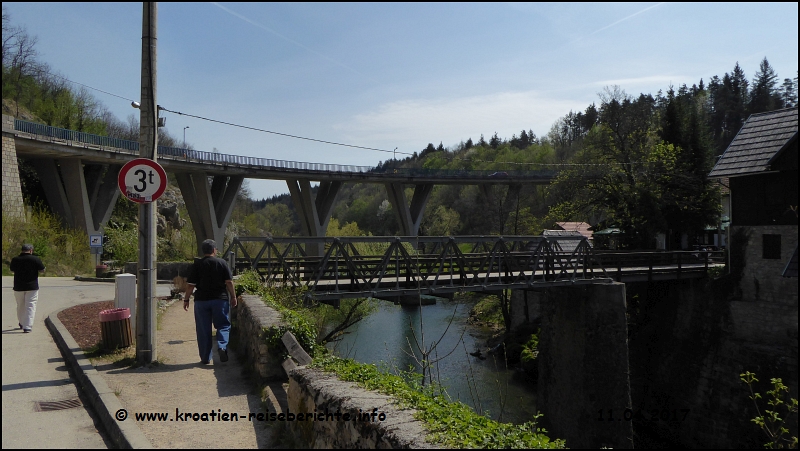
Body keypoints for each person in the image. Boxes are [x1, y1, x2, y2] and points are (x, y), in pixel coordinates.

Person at [183, 239, 237, 364]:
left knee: (203, 330)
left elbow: (190, 285)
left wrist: (186, 299)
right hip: (220, 300)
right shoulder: (222, 263)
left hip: (201, 301)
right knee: (223, 325)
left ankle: (206, 358)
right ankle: (222, 346)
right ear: (214, 250)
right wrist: (233, 297)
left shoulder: (197, 264)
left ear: (203, 251)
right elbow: (229, 282)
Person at [10, 244, 45, 333]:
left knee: (20, 305)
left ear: (22, 250)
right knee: (30, 305)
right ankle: (27, 326)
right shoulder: (35, 259)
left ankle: (21, 322)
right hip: (32, 286)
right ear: (30, 250)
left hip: (18, 286)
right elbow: (42, 270)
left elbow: (12, 270)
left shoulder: (15, 259)